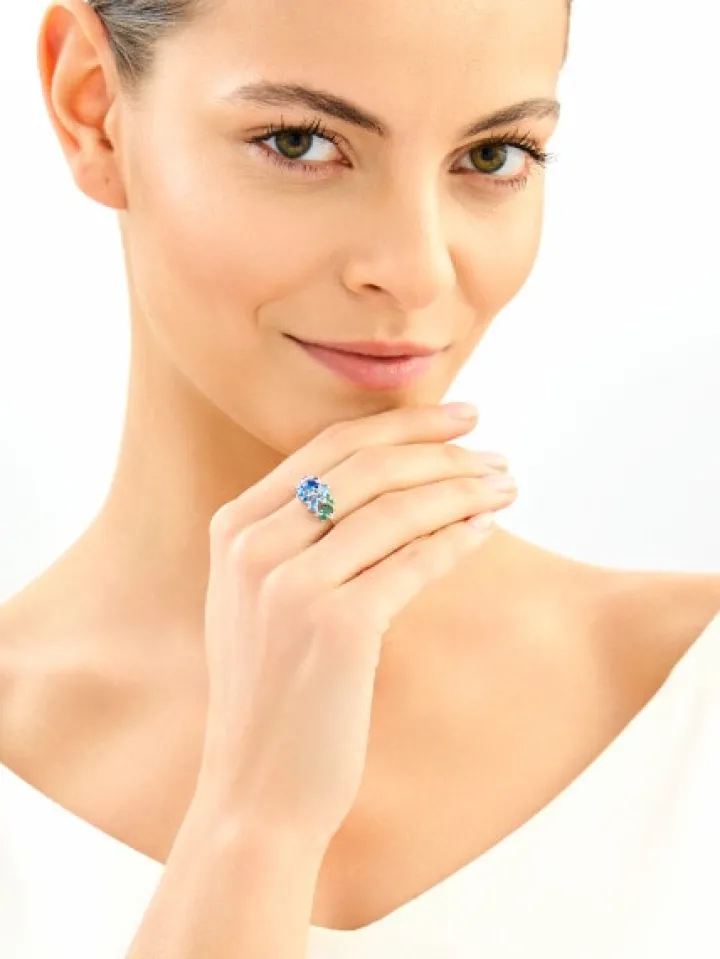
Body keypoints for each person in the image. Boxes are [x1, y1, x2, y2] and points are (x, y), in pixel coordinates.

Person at [1, 0, 719, 956]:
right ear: (93, 107)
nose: (417, 272)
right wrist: (253, 825)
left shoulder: (696, 695)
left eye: (492, 155)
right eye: (300, 142)